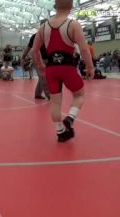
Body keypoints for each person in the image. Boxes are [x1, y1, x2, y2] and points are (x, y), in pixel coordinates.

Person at [32, 0, 94, 142]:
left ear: (55, 6)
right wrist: (90, 67)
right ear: (71, 6)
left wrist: (41, 64)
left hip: (51, 69)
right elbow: (84, 49)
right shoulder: (73, 25)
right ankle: (70, 118)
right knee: (79, 95)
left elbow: (35, 50)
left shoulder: (43, 27)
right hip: (67, 68)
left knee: (55, 103)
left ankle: (60, 132)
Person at [22, 21, 50, 100]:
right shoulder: (35, 36)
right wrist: (23, 58)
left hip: (49, 59)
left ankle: (38, 94)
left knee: (42, 78)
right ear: (41, 26)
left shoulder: (50, 35)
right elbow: (28, 48)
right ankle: (49, 96)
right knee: (43, 78)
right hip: (38, 59)